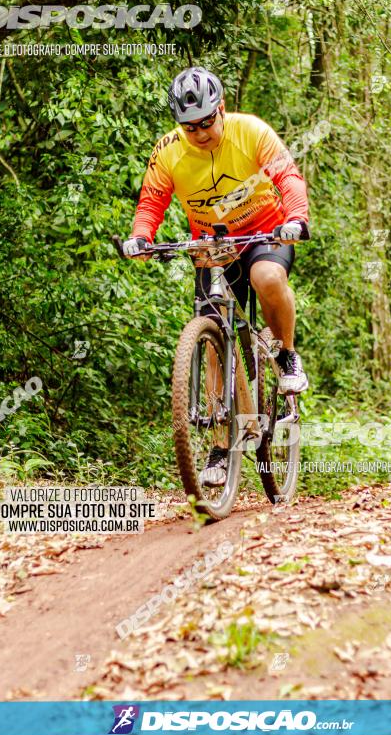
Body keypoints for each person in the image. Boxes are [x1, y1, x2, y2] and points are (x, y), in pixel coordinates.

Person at [123, 67, 310, 485]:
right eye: (190, 126)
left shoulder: (252, 132)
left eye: (207, 122)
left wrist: (295, 217)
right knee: (211, 336)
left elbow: (289, 176)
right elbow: (151, 200)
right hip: (212, 244)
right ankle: (222, 447)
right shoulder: (169, 150)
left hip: (265, 228)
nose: (201, 132)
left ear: (221, 109)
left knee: (266, 277)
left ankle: (285, 354)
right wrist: (140, 237)